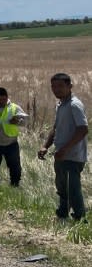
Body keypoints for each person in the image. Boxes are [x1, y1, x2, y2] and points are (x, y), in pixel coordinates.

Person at [38, 73, 88, 221]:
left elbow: (83, 129)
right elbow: (56, 128)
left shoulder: (74, 105)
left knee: (72, 189)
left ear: (70, 86)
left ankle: (80, 219)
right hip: (60, 155)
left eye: (60, 86)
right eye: (53, 86)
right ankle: (62, 213)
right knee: (62, 187)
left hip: (73, 156)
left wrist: (65, 149)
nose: (56, 89)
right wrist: (45, 146)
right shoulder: (60, 104)